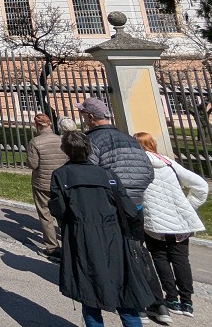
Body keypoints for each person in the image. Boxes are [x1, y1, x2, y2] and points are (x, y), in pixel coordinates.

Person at [77, 97, 168, 325]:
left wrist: (114, 193)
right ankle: (155, 303)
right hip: (134, 205)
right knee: (136, 253)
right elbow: (148, 172)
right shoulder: (130, 139)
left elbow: (88, 173)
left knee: (105, 256)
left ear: (90, 117)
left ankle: (116, 297)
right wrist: (132, 195)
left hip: (107, 207)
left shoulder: (92, 140)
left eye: (83, 114)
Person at [50, 130, 154, 327]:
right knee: (125, 296)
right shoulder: (107, 174)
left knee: (89, 295)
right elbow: (129, 210)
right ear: (89, 149)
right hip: (113, 236)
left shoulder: (61, 175)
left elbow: (59, 209)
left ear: (66, 151)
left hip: (80, 237)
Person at [134, 132, 209, 318]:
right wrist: (188, 206)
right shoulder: (168, 162)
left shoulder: (138, 165)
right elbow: (201, 186)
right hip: (179, 221)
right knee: (181, 260)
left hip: (155, 221)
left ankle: (172, 297)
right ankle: (187, 302)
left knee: (160, 258)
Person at [25, 113, 69, 258]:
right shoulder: (61, 140)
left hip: (42, 182)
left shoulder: (35, 142)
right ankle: (69, 243)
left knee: (45, 215)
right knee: (63, 213)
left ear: (37, 125)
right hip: (60, 182)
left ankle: (52, 247)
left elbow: (33, 164)